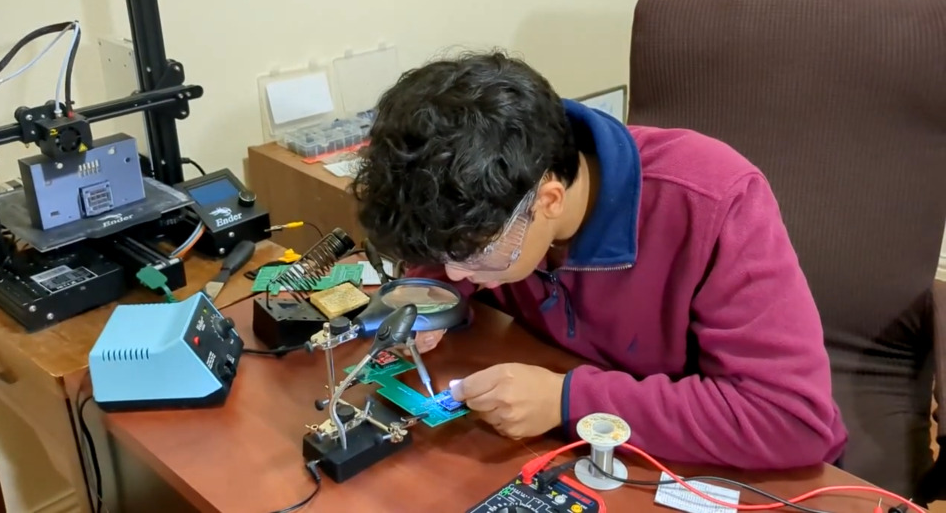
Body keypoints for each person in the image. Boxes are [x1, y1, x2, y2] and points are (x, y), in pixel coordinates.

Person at [349, 51, 848, 469]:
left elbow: (790, 419)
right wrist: (429, 295)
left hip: (705, 465)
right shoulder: (500, 190)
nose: (457, 272)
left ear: (548, 201)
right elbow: (452, 242)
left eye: (469, 255)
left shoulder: (714, 202)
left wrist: (568, 401)